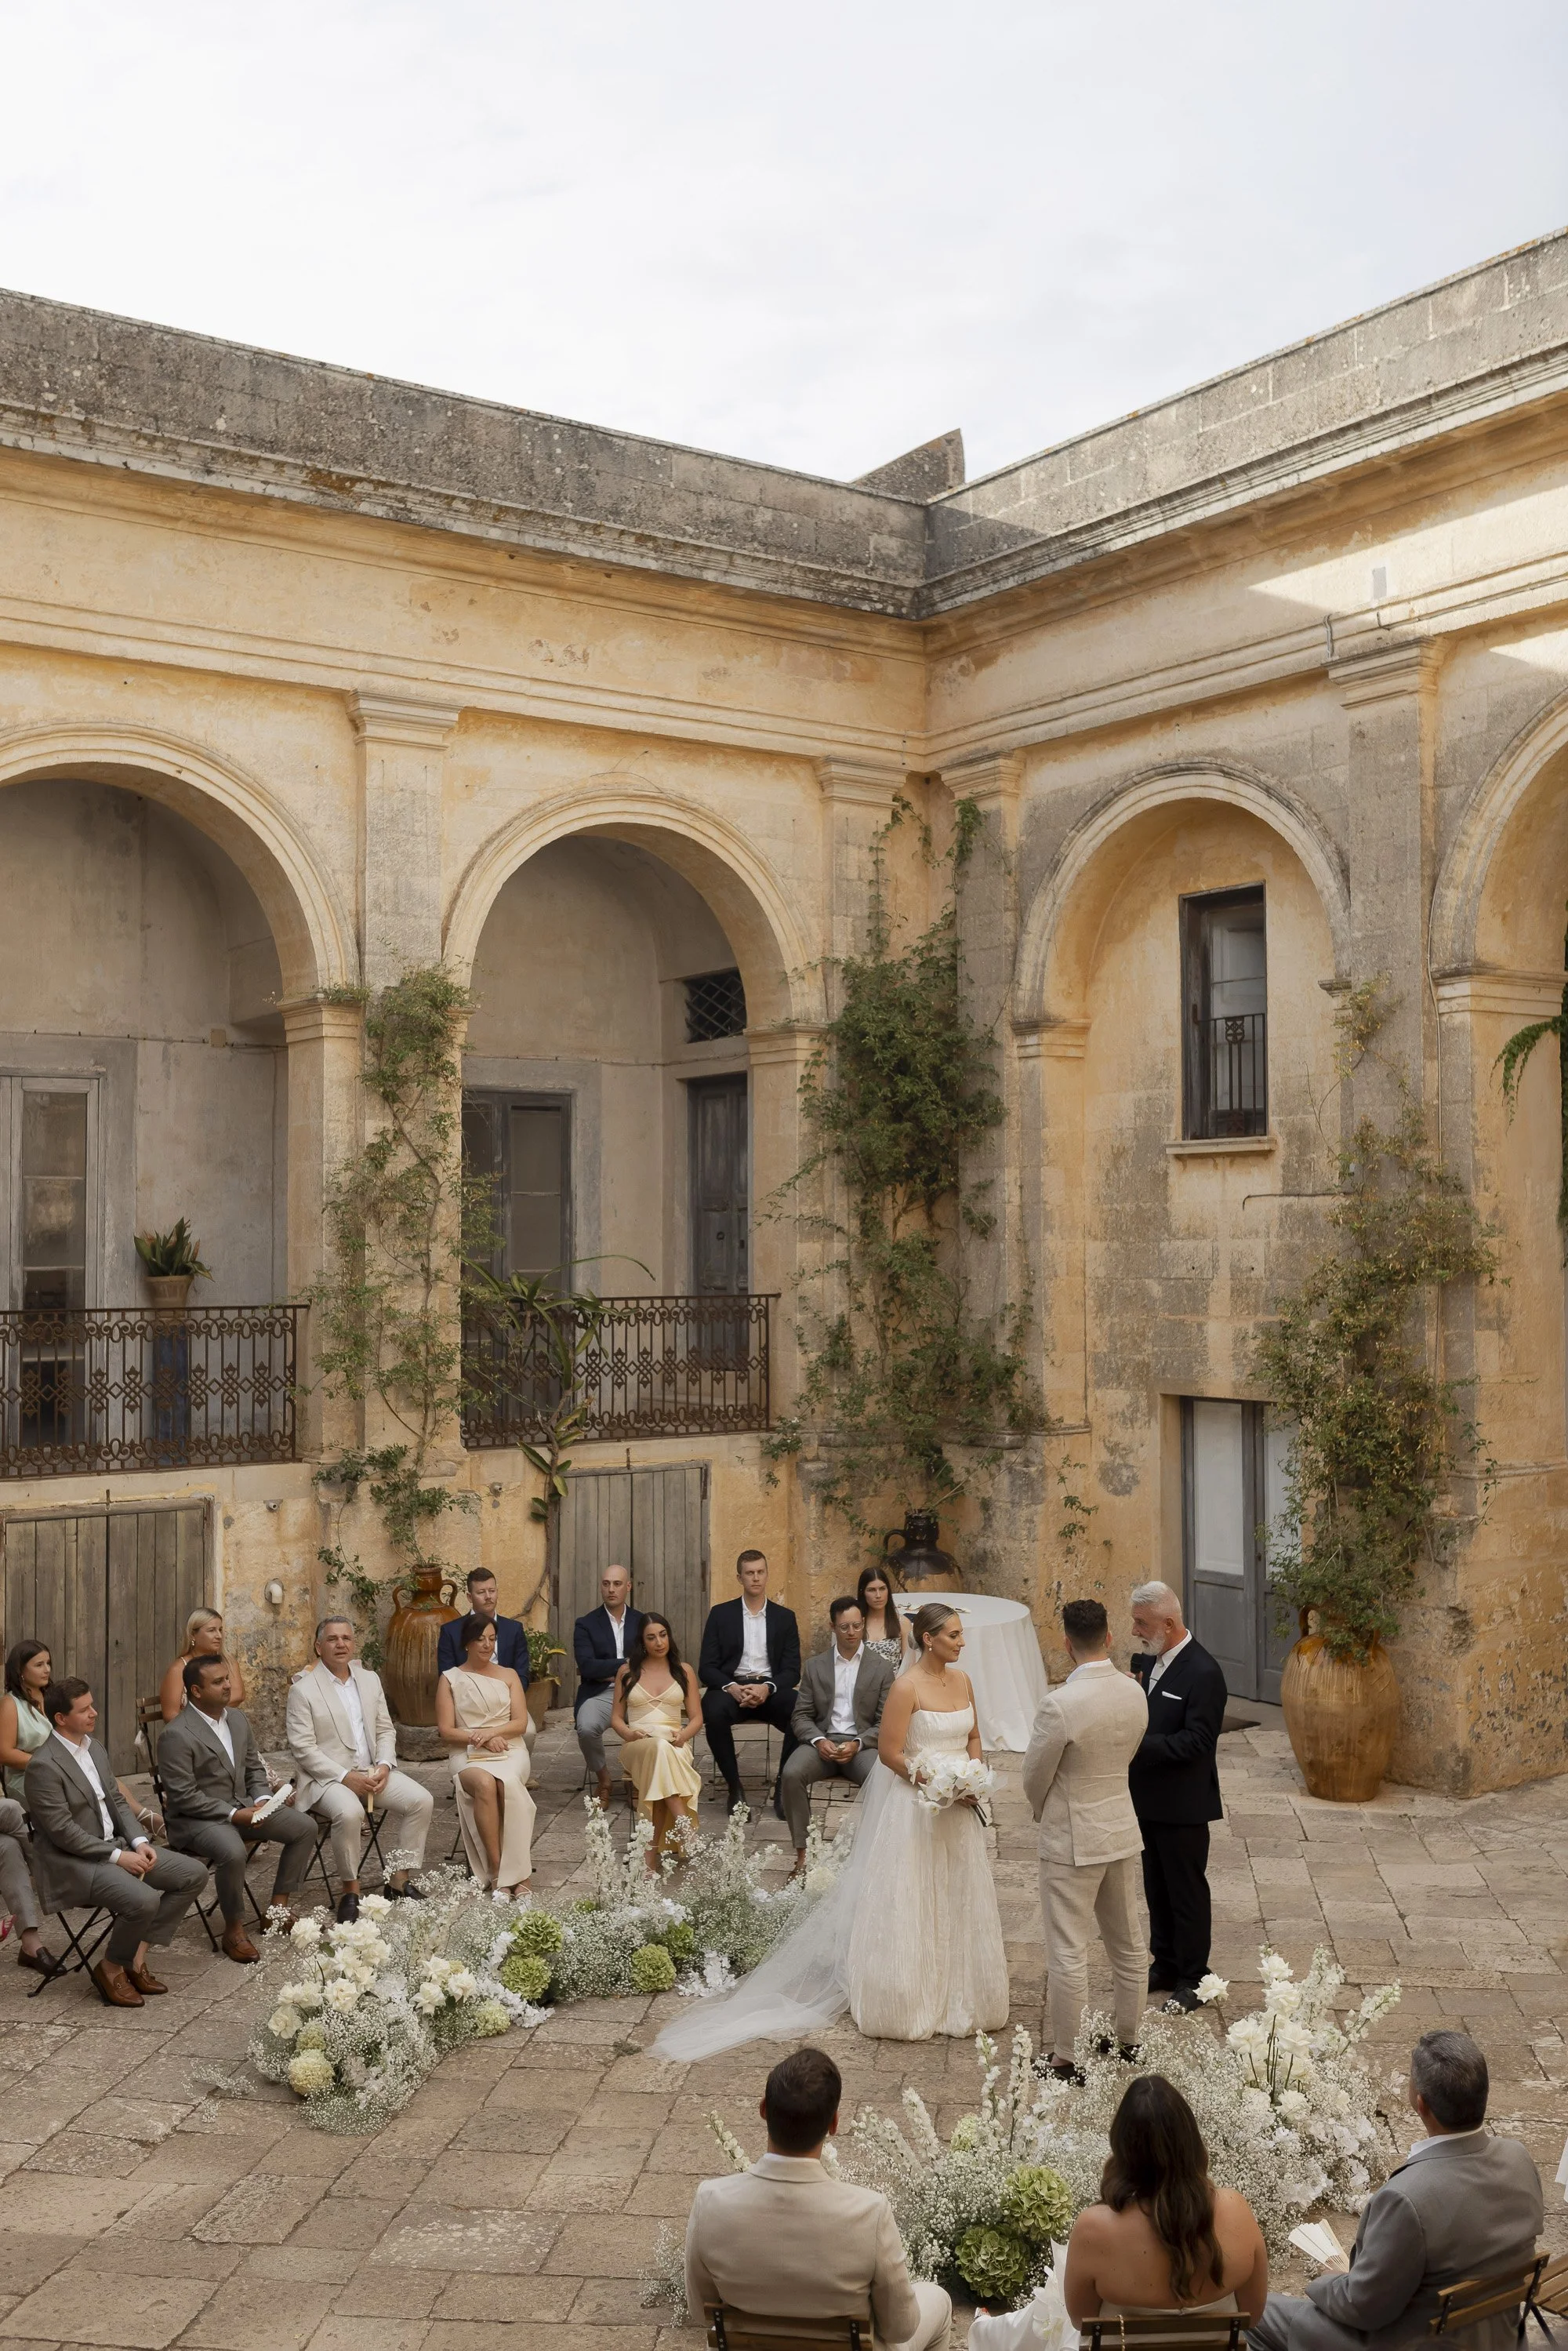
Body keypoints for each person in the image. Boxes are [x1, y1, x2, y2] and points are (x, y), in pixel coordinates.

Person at [655, 1600, 1009, 2058]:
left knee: (959, 1890)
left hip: (959, 1806)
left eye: (961, 1635)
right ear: (928, 1639)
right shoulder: (906, 1686)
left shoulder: (964, 1681)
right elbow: (890, 1751)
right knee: (914, 1891)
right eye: (954, 1635)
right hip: (920, 1805)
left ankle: (962, 1992)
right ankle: (907, 1993)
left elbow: (974, 1735)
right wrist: (935, 1782)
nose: (962, 1642)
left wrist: (973, 1776)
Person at [1250, 2030, 1542, 2351]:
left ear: (1420, 2104)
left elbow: (1363, 2308)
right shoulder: (1519, 2158)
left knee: (1257, 2315)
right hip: (1493, 2337)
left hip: (1413, 2343)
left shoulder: (1406, 2198)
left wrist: (1331, 2279)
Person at [684, 2046, 952, 2351]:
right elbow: (900, 2327)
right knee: (938, 2302)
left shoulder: (710, 2201)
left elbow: (701, 2311)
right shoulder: (870, 2213)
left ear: (763, 2110)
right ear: (834, 2124)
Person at [1023, 1597, 1149, 2079]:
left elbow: (1035, 1776)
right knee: (1128, 1942)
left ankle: (1065, 2057)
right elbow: (1130, 1752)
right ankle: (1129, 2039)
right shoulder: (1134, 1692)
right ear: (1110, 1637)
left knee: (1068, 1948)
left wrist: (1043, 1809)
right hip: (1119, 1826)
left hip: (1072, 1837)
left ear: (1066, 1642)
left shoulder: (1060, 1705)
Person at [24, 1677, 206, 2008]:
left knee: (193, 1874)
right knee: (145, 1900)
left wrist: (138, 1841)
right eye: (85, 1709)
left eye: (92, 1704)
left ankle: (134, 1955)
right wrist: (118, 1856)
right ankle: (109, 1968)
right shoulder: (43, 1766)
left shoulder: (94, 1748)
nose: (94, 1713)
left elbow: (117, 1802)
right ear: (61, 1719)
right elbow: (63, 1832)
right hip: (74, 1863)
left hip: (118, 1846)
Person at [1063, 2074, 1269, 2324]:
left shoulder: (1093, 2229)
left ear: (1122, 2145)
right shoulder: (1236, 2209)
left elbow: (1079, 2322)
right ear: (1190, 2140)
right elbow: (1253, 2316)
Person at [157, 1653, 314, 1959]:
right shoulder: (176, 1734)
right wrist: (232, 1814)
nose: (228, 1686)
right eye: (218, 1682)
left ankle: (277, 1911)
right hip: (196, 1820)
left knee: (304, 1828)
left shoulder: (238, 1719)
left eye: (227, 1678)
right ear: (196, 1692)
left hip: (245, 1807)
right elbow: (182, 1796)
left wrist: (263, 1800)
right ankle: (233, 1929)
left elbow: (254, 1767)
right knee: (232, 1851)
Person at [285, 1616, 434, 1923]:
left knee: (422, 1800)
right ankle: (350, 1890)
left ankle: (398, 1880)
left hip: (371, 1773)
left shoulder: (369, 1679)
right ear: (318, 1646)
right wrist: (345, 1777)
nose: (341, 1644)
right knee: (350, 1812)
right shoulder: (303, 1690)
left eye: (346, 1638)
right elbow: (303, 1749)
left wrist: (384, 1765)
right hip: (327, 1779)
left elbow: (385, 1730)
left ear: (353, 1644)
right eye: (332, 1639)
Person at [1128, 1580, 1226, 2012]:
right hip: (1147, 1800)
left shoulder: (1204, 1672)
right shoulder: (1152, 1661)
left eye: (1141, 1623)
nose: (1134, 1630)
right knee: (1156, 1886)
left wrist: (1138, 1743)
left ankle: (1194, 1976)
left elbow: (1198, 1742)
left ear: (1168, 1624)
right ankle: (1164, 1963)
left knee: (1186, 1891)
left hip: (1184, 1805)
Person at [779, 1598, 895, 1871]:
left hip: (863, 1746)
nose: (852, 1632)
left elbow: (886, 1722)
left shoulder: (881, 1667)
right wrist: (819, 1741)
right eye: (844, 1627)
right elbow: (801, 1715)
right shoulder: (815, 1666)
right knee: (792, 1773)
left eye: (857, 1625)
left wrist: (859, 1742)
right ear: (833, 1626)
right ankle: (804, 1853)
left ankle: (869, 1855)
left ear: (863, 1624)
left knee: (882, 1777)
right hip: (823, 1741)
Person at [436, 1615, 535, 1896]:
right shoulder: (450, 1679)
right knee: (484, 1784)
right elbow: (445, 1731)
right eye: (480, 1639)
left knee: (508, 1784)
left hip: (510, 1748)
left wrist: (492, 1735)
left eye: (492, 1639)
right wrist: (478, 1738)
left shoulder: (509, 1675)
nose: (487, 1645)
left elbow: (520, 1724)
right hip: (466, 1753)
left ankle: (522, 1874)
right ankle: (497, 1871)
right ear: (467, 1642)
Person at [698, 1550, 800, 1814]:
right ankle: (735, 1787)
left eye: (760, 1572)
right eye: (749, 1573)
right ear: (739, 1577)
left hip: (769, 1689)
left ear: (767, 1575)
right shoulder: (721, 1614)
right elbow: (706, 1667)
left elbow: (792, 1670)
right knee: (712, 1709)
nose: (755, 1578)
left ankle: (783, 1787)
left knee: (801, 1709)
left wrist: (767, 1688)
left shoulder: (784, 1617)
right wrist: (732, 1688)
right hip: (732, 1687)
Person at [611, 1612, 703, 1867]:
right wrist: (629, 1734)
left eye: (663, 1635)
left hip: (676, 1745)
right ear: (642, 1642)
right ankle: (685, 1827)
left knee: (662, 1760)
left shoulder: (684, 1671)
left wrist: (683, 1735)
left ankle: (649, 1861)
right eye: (651, 1638)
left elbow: (696, 1718)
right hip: (638, 1743)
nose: (659, 1642)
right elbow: (617, 1719)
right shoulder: (627, 1672)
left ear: (669, 1637)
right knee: (659, 1750)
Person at [574, 1564, 645, 1806]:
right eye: (606, 1584)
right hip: (601, 1693)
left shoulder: (643, 1622)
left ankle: (636, 1781)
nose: (611, 1589)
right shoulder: (585, 1624)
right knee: (586, 1727)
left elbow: (651, 1662)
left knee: (649, 1725)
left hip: (639, 1691)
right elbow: (587, 1667)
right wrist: (626, 1665)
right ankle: (604, 1780)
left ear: (628, 1587)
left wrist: (607, 1668)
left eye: (617, 1584)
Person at [436, 1569, 532, 1684]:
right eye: (481, 1592)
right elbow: (447, 1678)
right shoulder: (451, 1631)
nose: (488, 1597)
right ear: (469, 1597)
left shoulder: (514, 1629)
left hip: (507, 1698)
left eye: (492, 1591)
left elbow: (522, 1675)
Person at [160, 1608, 247, 1723]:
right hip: (190, 1733)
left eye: (220, 1630)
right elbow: (170, 1715)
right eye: (211, 1630)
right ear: (193, 1635)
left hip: (226, 1726)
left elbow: (238, 1695)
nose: (219, 1636)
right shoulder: (179, 1668)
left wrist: (199, 1708)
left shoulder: (227, 1661)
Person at [2, 1638, 53, 1801]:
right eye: (39, 1665)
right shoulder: (10, 1704)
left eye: (48, 1663)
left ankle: (132, 1818)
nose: (47, 1670)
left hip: (62, 1772)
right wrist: (49, 1764)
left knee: (102, 1781)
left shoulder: (54, 1697)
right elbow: (4, 1753)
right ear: (20, 1671)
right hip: (27, 1778)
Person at [856, 1566, 910, 1666]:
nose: (878, 1595)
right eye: (871, 1590)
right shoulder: (855, 1624)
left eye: (882, 1589)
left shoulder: (902, 1623)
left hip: (895, 1680)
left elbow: (908, 1666)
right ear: (862, 1592)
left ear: (888, 1590)